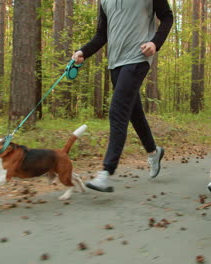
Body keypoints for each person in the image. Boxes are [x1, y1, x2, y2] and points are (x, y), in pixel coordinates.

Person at [72, 0, 173, 192]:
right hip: (115, 63)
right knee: (134, 111)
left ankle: (106, 172)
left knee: (117, 110)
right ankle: (153, 151)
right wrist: (83, 52)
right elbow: (102, 34)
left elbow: (167, 16)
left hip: (138, 57)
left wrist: (155, 42)